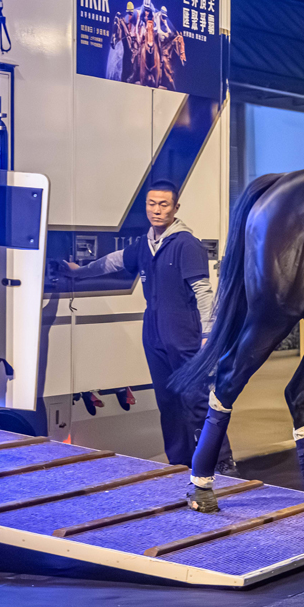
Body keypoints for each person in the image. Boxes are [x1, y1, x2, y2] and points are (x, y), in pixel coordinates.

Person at [60, 180, 236, 473]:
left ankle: (221, 463)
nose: (157, 210)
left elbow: (203, 292)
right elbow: (114, 262)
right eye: (152, 204)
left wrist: (208, 333)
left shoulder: (186, 244)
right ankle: (179, 463)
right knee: (167, 403)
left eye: (164, 204)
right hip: (153, 334)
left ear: (175, 208)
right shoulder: (145, 245)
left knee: (195, 400)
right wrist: (81, 273)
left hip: (184, 334)